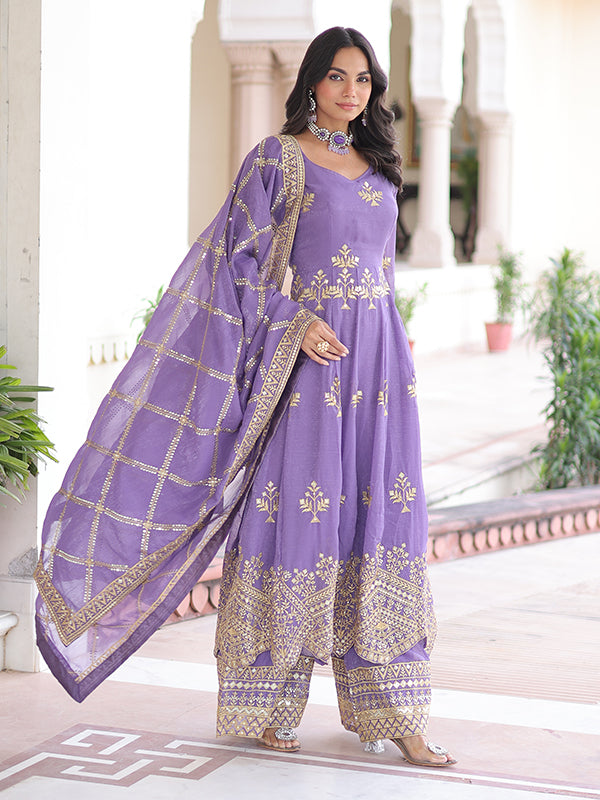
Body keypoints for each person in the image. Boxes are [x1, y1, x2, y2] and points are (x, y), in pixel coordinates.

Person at [35, 27, 455, 768]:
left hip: (382, 372)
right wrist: (295, 320)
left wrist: (394, 345)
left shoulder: (382, 165)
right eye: (337, 76)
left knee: (383, 525)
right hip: (310, 369)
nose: (351, 91)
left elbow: (383, 272)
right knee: (295, 516)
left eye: (362, 79)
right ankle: (268, 699)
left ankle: (397, 711)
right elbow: (239, 267)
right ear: (312, 82)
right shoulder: (279, 159)